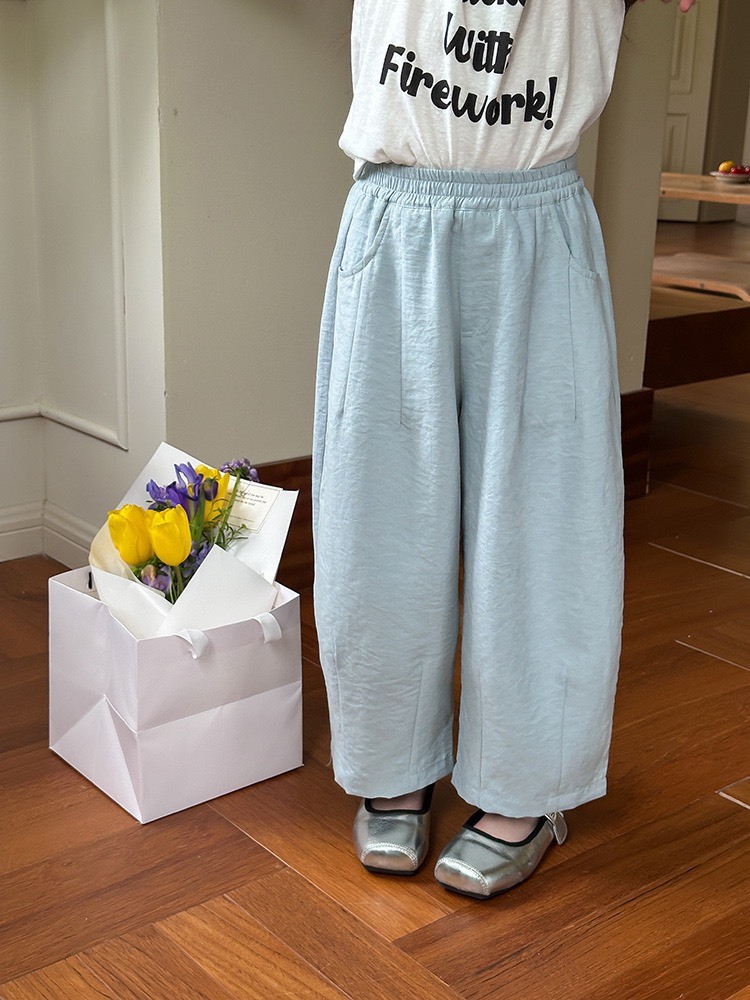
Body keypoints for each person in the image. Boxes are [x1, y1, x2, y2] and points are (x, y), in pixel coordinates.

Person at [312, 0, 696, 900]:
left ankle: (528, 783)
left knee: (545, 520)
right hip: (397, 215)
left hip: (535, 218)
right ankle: (392, 762)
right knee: (376, 517)